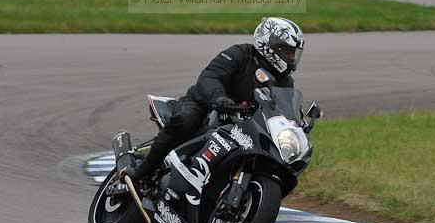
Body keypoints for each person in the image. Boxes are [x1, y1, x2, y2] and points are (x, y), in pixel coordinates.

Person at [127, 16, 304, 183]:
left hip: (243, 124)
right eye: (287, 51)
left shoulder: (285, 81)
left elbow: (283, 108)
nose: (291, 58)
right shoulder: (240, 53)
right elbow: (210, 77)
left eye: (293, 53)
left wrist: (295, 125)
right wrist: (219, 98)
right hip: (205, 105)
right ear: (269, 44)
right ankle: (143, 170)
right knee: (186, 120)